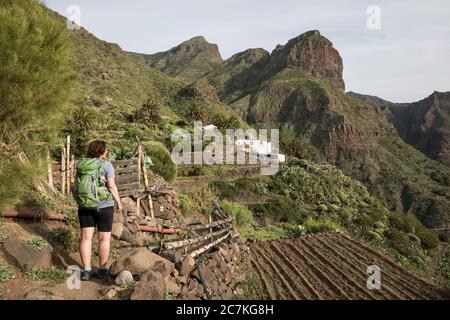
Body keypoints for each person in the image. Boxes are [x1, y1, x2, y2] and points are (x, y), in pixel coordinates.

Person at [76, 140, 122, 281]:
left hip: (85, 206)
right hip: (104, 205)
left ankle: (87, 271)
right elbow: (112, 186)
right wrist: (119, 203)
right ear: (101, 151)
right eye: (106, 150)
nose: (107, 152)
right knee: (104, 238)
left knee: (86, 238)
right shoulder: (106, 165)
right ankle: (102, 269)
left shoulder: (82, 164)